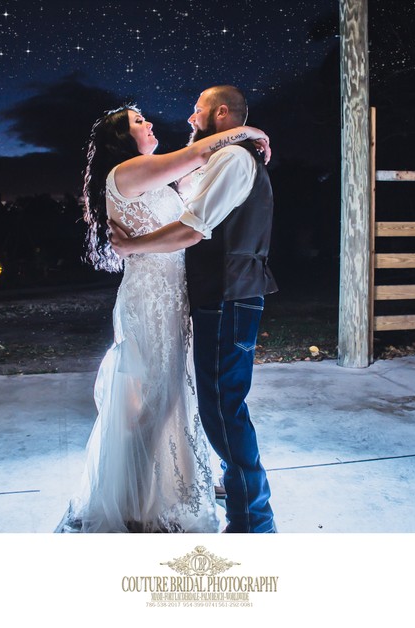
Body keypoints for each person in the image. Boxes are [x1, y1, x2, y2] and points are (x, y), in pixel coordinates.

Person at [55, 104, 270, 533]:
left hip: (171, 298)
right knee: (151, 399)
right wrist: (250, 129)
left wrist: (229, 141)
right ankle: (133, 499)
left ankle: (160, 486)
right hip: (150, 298)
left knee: (167, 395)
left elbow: (199, 170)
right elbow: (195, 157)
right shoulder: (128, 171)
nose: (149, 123)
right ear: (122, 139)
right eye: (138, 121)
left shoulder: (153, 176)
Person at [109, 86, 279, 533]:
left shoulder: (234, 160)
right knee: (217, 403)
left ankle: (253, 520)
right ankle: (239, 491)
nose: (189, 117)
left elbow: (191, 229)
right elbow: (188, 175)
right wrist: (245, 131)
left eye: (198, 111)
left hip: (229, 295)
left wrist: (132, 245)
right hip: (215, 297)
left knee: (223, 407)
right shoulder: (218, 157)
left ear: (220, 113)